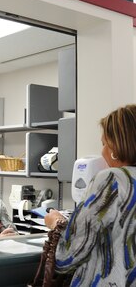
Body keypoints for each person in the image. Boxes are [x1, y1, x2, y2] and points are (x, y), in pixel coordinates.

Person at [45, 104, 136, 286]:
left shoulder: (112, 179)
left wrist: (56, 223)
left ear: (115, 148)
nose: (102, 151)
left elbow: (67, 256)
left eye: (104, 143)